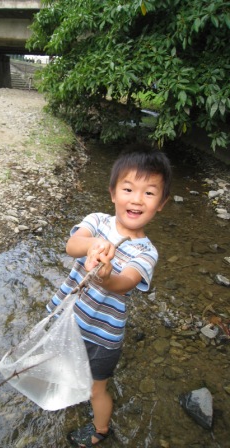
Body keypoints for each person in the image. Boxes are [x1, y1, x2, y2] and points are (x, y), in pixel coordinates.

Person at [46, 147, 172, 447]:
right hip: (68, 316)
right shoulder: (97, 221)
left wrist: (105, 274)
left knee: (96, 390)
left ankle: (100, 430)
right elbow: (72, 244)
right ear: (113, 193)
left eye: (149, 193)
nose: (137, 199)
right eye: (128, 188)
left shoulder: (146, 252)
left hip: (102, 337)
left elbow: (124, 283)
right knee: (64, 364)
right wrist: (92, 247)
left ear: (162, 203)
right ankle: (68, 390)